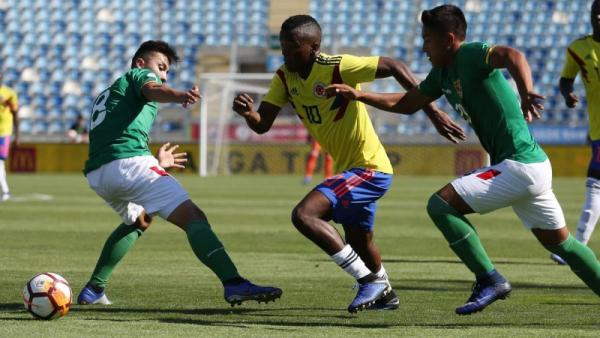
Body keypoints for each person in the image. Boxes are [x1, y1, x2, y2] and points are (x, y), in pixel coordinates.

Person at [327, 4, 600, 315]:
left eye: (428, 39)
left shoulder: (469, 54)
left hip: (520, 165)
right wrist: (361, 95)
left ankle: (489, 279)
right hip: (530, 167)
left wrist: (527, 91)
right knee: (562, 245)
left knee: (440, 205)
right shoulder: (441, 73)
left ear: (450, 39)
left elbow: (513, 56)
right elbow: (407, 102)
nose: (423, 46)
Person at [232, 15, 464, 313]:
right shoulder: (284, 78)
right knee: (359, 240)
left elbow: (393, 65)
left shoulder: (337, 67)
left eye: (292, 48)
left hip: (369, 168)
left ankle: (367, 280)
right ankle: (386, 293)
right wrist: (249, 114)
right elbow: (262, 125)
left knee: (304, 215)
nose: (285, 54)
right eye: (283, 48)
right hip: (351, 171)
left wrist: (431, 112)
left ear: (313, 46)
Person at [78, 40, 282, 306]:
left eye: (167, 72)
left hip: (99, 174)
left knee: (140, 219)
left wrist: (155, 163)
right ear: (141, 63)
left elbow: (116, 138)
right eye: (160, 67)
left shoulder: (110, 92)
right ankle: (234, 283)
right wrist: (178, 96)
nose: (163, 75)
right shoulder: (138, 75)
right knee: (194, 216)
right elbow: (152, 89)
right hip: (128, 164)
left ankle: (94, 289)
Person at [553, 0, 600, 265]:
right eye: (597, 12)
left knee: (595, 184)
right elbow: (565, 79)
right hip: (597, 128)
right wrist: (567, 94)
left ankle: (575, 248)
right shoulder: (578, 48)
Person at [0, 71, 19, 202]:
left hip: (4, 131)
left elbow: (16, 114)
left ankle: (6, 191)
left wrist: (17, 135)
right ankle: (6, 191)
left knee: (0, 161)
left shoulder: (9, 93)